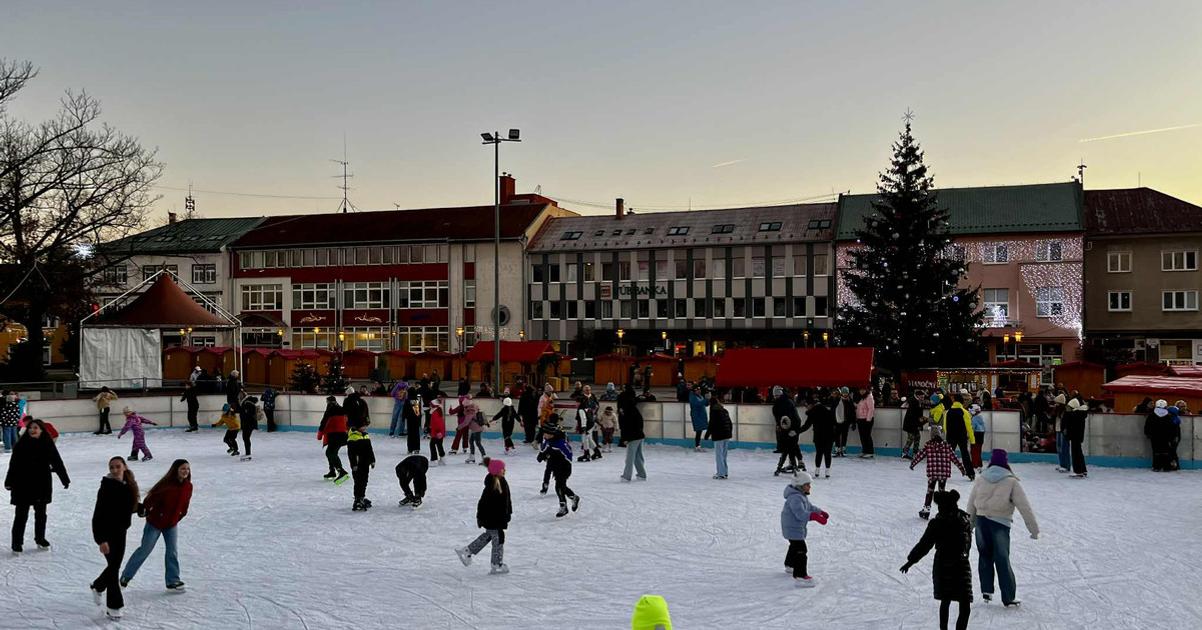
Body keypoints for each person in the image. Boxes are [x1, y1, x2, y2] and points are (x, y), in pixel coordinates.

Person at [966, 449, 1039, 606]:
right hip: (1000, 524)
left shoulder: (981, 478)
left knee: (985, 556)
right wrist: (1034, 530)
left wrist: (969, 524)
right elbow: (1024, 507)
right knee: (1002, 559)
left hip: (981, 522)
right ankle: (1008, 596)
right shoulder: (1011, 481)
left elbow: (971, 503)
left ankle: (986, 591)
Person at [900, 490, 974, 630]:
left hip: (944, 564)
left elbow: (924, 544)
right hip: (961, 564)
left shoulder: (938, 523)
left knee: (947, 601)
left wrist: (911, 561)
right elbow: (967, 544)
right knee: (963, 603)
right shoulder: (964, 520)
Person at [119, 459, 191, 592]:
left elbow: (185, 505)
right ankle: (125, 577)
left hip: (171, 524)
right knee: (144, 550)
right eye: (182, 468)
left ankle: (172, 581)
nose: (185, 471)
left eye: (187, 468)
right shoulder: (166, 485)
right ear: (175, 470)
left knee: (172, 551)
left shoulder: (188, 486)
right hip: (155, 523)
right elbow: (149, 500)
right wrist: (145, 511)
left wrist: (179, 516)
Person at [5, 419, 69, 552]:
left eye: (35, 428)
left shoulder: (47, 443)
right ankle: (17, 542)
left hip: (41, 483)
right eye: (30, 428)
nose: (32, 430)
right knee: (21, 515)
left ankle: (40, 538)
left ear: (41, 430)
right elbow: (13, 464)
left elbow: (57, 461)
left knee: (41, 514)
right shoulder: (21, 444)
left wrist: (64, 478)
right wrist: (9, 481)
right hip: (22, 483)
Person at [90, 456, 139, 620]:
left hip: (121, 533)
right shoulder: (106, 487)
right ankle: (114, 606)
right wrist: (101, 540)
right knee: (113, 569)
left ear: (124, 466)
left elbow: (127, 507)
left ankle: (98, 586)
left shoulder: (128, 484)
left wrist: (140, 509)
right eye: (112, 467)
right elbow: (98, 515)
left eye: (118, 466)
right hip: (107, 533)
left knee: (114, 566)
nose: (115, 470)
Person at [455, 458, 511, 575]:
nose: (504, 470)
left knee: (489, 535)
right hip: (492, 518)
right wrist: (482, 517)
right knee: (498, 538)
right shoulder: (493, 485)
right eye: (502, 469)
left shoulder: (501, 481)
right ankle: (496, 564)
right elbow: (484, 503)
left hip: (496, 518)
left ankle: (467, 551)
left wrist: (508, 513)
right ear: (496, 471)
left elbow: (506, 501)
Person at [780, 471, 828, 587]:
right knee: (801, 549)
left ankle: (790, 565)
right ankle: (800, 576)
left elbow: (809, 507)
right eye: (807, 485)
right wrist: (814, 516)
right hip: (793, 529)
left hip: (794, 528)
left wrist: (820, 512)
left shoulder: (801, 496)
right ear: (800, 486)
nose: (809, 487)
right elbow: (800, 514)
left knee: (794, 546)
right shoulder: (795, 498)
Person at [910, 426, 968, 520]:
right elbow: (954, 458)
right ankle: (943, 511)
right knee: (942, 492)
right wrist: (962, 468)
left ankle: (926, 511)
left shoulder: (928, 445)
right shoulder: (946, 445)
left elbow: (920, 455)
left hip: (932, 473)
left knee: (930, 491)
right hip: (943, 474)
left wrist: (913, 464)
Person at [537, 427, 580, 518]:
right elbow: (545, 449)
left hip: (564, 468)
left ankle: (564, 506)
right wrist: (541, 455)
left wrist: (555, 457)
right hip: (555, 467)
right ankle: (573, 497)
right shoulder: (548, 441)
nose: (544, 435)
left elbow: (568, 455)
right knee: (561, 487)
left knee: (559, 487)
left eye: (545, 434)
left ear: (551, 435)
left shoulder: (560, 443)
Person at [773, 386, 806, 476]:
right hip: (789, 427)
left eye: (776, 395)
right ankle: (797, 463)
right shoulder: (785, 402)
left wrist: (792, 429)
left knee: (789, 447)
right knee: (791, 446)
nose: (775, 397)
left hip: (790, 427)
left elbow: (787, 417)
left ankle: (793, 465)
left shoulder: (784, 403)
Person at [942, 393, 976, 481]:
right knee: (965, 455)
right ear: (962, 401)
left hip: (950, 436)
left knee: (948, 455)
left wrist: (948, 435)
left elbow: (945, 426)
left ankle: (943, 472)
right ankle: (970, 473)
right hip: (962, 436)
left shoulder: (947, 412)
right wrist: (972, 440)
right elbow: (969, 427)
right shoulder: (965, 412)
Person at [317, 397, 349, 484]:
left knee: (330, 453)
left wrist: (320, 434)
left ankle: (341, 471)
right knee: (331, 452)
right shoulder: (342, 409)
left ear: (328, 402)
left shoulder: (330, 410)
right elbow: (347, 421)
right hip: (342, 435)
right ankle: (332, 471)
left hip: (334, 436)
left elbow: (323, 422)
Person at [618, 384, 647, 482]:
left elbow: (624, 425)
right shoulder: (634, 410)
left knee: (630, 457)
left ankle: (626, 476)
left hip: (632, 436)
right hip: (639, 435)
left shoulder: (625, 412)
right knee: (638, 456)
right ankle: (642, 474)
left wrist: (624, 438)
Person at [347, 421, 376, 511]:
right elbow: (351, 453)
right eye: (363, 426)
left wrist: (372, 460)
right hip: (357, 465)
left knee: (364, 481)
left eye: (365, 426)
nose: (364, 428)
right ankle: (357, 499)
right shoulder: (353, 437)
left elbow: (370, 449)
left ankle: (361, 498)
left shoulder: (366, 435)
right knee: (358, 482)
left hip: (365, 463)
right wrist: (354, 464)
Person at [808, 394, 837, 479]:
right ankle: (827, 471)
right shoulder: (828, 411)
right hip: (829, 436)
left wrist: (798, 431)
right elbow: (835, 424)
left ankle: (817, 470)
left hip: (819, 436)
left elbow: (807, 424)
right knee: (827, 453)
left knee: (819, 453)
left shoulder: (813, 412)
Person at [1144, 399, 1177, 472]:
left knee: (1156, 451)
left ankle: (1156, 466)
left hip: (1154, 436)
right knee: (1166, 451)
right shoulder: (1168, 416)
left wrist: (1147, 434)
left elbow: (1147, 425)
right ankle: (1166, 467)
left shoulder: (1152, 415)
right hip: (1166, 437)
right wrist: (1172, 436)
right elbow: (1172, 427)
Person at [707, 397, 733, 479]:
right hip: (727, 435)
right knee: (724, 455)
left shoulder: (714, 411)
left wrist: (707, 435)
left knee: (719, 455)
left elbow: (711, 424)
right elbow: (730, 423)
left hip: (719, 436)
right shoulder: (724, 410)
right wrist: (729, 433)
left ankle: (721, 474)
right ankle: (725, 472)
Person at [1063, 398, 1088, 478]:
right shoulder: (1079, 414)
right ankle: (1082, 470)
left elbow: (1071, 426)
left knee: (1076, 454)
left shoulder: (1075, 415)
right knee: (1078, 453)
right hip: (1078, 437)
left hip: (1075, 437)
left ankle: (1078, 471)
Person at [901, 389, 925, 459]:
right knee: (911, 438)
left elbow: (919, 415)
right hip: (911, 424)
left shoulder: (918, 402)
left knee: (917, 437)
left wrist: (919, 425)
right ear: (918, 396)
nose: (923, 398)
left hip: (914, 424)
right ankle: (905, 453)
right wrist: (918, 425)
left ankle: (915, 452)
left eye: (923, 397)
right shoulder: (913, 402)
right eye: (922, 397)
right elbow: (914, 415)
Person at [237, 395, 260, 461]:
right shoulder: (249, 404)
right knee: (246, 438)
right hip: (249, 424)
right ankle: (248, 453)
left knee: (246, 438)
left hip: (247, 424)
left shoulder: (247, 404)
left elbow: (246, 415)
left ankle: (248, 454)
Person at [465, 399, 489, 465]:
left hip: (476, 430)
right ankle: (472, 457)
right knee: (471, 441)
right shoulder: (475, 408)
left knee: (478, 443)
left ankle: (484, 458)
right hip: (475, 430)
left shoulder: (470, 410)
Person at [855, 387, 876, 458]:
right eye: (860, 389)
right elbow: (860, 407)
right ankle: (865, 451)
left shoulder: (869, 397)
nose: (861, 391)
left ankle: (870, 452)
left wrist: (868, 419)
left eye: (863, 390)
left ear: (866, 390)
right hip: (860, 419)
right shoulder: (861, 397)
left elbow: (871, 409)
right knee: (862, 436)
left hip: (867, 420)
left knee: (867, 436)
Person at [833, 387, 853, 457]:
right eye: (843, 393)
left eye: (846, 393)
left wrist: (853, 422)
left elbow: (852, 412)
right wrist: (833, 421)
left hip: (846, 421)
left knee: (844, 435)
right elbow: (833, 410)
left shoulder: (850, 401)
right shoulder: (837, 400)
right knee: (837, 435)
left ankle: (843, 449)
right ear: (841, 393)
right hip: (837, 421)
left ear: (848, 393)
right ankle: (837, 449)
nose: (845, 394)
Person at [688, 385, 709, 452]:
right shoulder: (692, 396)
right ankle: (697, 446)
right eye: (697, 390)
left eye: (699, 390)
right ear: (694, 391)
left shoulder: (700, 396)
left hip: (702, 415)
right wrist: (705, 400)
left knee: (700, 431)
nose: (699, 391)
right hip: (696, 416)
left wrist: (707, 400)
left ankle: (698, 445)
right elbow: (697, 404)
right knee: (699, 431)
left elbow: (705, 404)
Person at [427, 397, 447, 465]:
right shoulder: (438, 411)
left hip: (437, 432)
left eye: (431, 405)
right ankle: (442, 459)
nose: (430, 406)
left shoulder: (435, 412)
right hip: (439, 431)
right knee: (439, 445)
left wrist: (438, 431)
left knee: (432, 445)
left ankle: (434, 460)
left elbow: (437, 422)